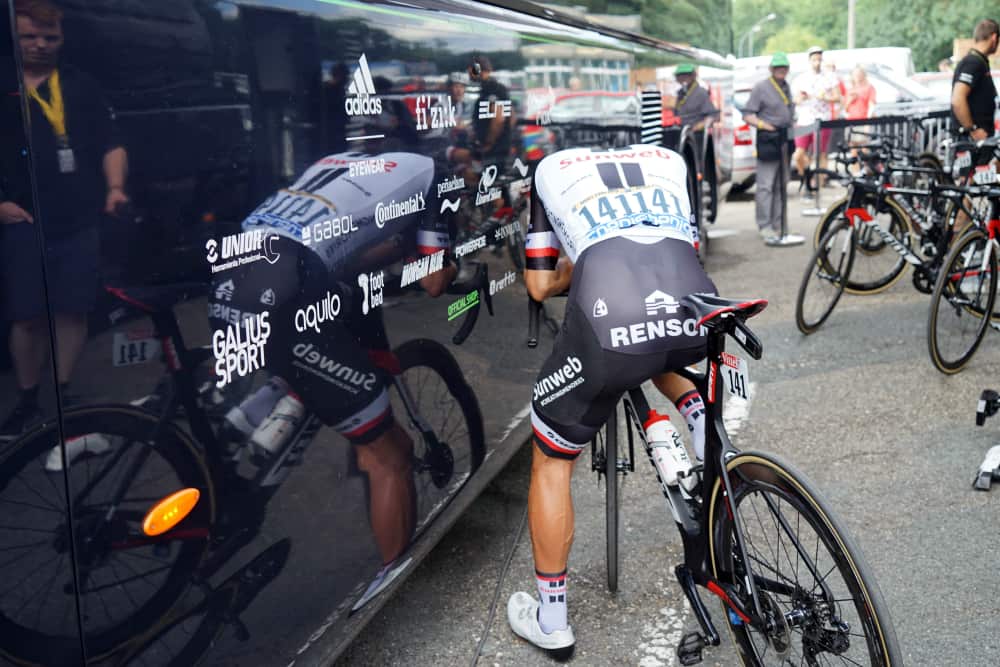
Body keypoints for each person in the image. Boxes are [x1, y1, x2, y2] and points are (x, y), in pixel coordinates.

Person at [506, 143, 716, 657]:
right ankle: (707, 440)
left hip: (609, 323)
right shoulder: (669, 160)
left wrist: (570, 273)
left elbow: (537, 286)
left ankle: (552, 621)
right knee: (664, 346)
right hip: (691, 302)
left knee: (552, 459)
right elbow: (681, 252)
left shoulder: (548, 172)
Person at [0, 0, 128, 439]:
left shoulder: (80, 85)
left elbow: (111, 143)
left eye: (49, 37)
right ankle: (28, 397)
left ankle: (62, 391)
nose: (39, 44)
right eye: (29, 36)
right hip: (22, 220)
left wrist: (114, 187)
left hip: (79, 217)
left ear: (61, 38)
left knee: (72, 310)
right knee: (27, 317)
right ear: (14, 37)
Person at [740, 52, 795, 243]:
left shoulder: (786, 87)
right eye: (778, 67)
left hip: (785, 140)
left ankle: (778, 225)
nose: (781, 70)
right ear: (771, 69)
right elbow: (747, 115)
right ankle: (764, 226)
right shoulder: (761, 88)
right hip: (768, 140)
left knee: (782, 184)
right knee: (765, 185)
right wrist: (764, 125)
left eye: (784, 67)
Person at [792, 46, 839, 187]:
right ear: (809, 60)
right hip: (804, 119)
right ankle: (805, 177)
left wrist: (825, 97)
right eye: (814, 60)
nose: (817, 63)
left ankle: (818, 185)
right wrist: (801, 98)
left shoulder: (829, 77)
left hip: (822, 119)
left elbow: (838, 97)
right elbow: (795, 99)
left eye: (819, 59)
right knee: (798, 154)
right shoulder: (801, 78)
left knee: (820, 154)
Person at [951, 18, 998, 152]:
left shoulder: (977, 61)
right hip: (973, 141)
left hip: (978, 140)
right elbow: (957, 99)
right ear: (994, 38)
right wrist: (972, 130)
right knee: (968, 173)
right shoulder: (973, 63)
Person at [673, 63, 719, 131]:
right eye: (680, 76)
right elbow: (676, 113)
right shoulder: (680, 93)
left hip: (696, 134)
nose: (683, 78)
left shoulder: (701, 93)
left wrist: (701, 125)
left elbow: (713, 115)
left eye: (686, 75)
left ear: (693, 76)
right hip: (681, 131)